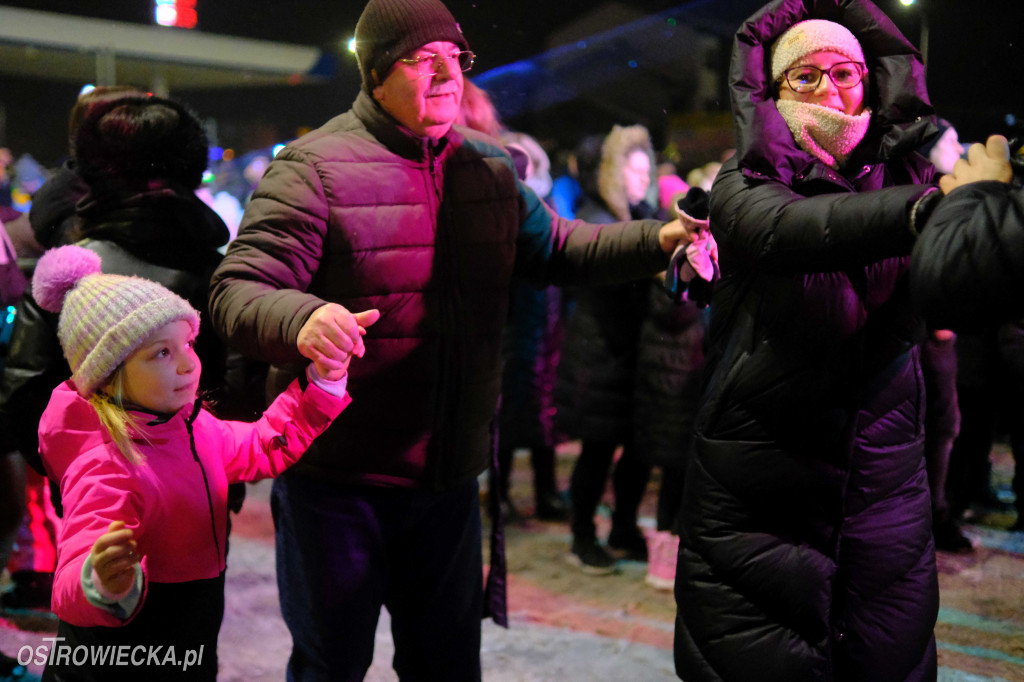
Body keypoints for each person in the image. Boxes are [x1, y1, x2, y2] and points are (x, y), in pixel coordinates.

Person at [206, 0, 692, 678]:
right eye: (421, 60)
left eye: (455, 60)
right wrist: (302, 319)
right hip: (338, 484)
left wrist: (660, 239)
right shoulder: (313, 167)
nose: (446, 75)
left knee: (446, 665)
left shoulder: (490, 168)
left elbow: (559, 247)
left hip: (449, 482)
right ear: (377, 72)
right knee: (331, 664)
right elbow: (236, 292)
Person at [674, 2, 943, 679]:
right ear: (771, 91)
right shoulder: (743, 181)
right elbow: (790, 230)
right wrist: (924, 216)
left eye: (847, 72)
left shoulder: (913, 180)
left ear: (873, 80)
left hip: (882, 495)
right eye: (806, 77)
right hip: (761, 495)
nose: (831, 91)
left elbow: (949, 296)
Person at [30, 245, 364, 682]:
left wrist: (324, 380)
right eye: (162, 353)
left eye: (187, 343)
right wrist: (99, 579)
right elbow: (72, 576)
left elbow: (264, 445)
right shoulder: (108, 464)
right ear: (109, 374)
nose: (190, 363)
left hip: (187, 630)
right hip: (122, 655)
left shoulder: (190, 427)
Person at [556, 123, 660, 573]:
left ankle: (623, 527)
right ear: (615, 173)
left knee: (638, 448)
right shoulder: (597, 217)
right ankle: (582, 534)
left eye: (645, 172)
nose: (641, 180)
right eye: (633, 172)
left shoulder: (643, 211)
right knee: (598, 451)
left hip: (635, 354)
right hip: (600, 353)